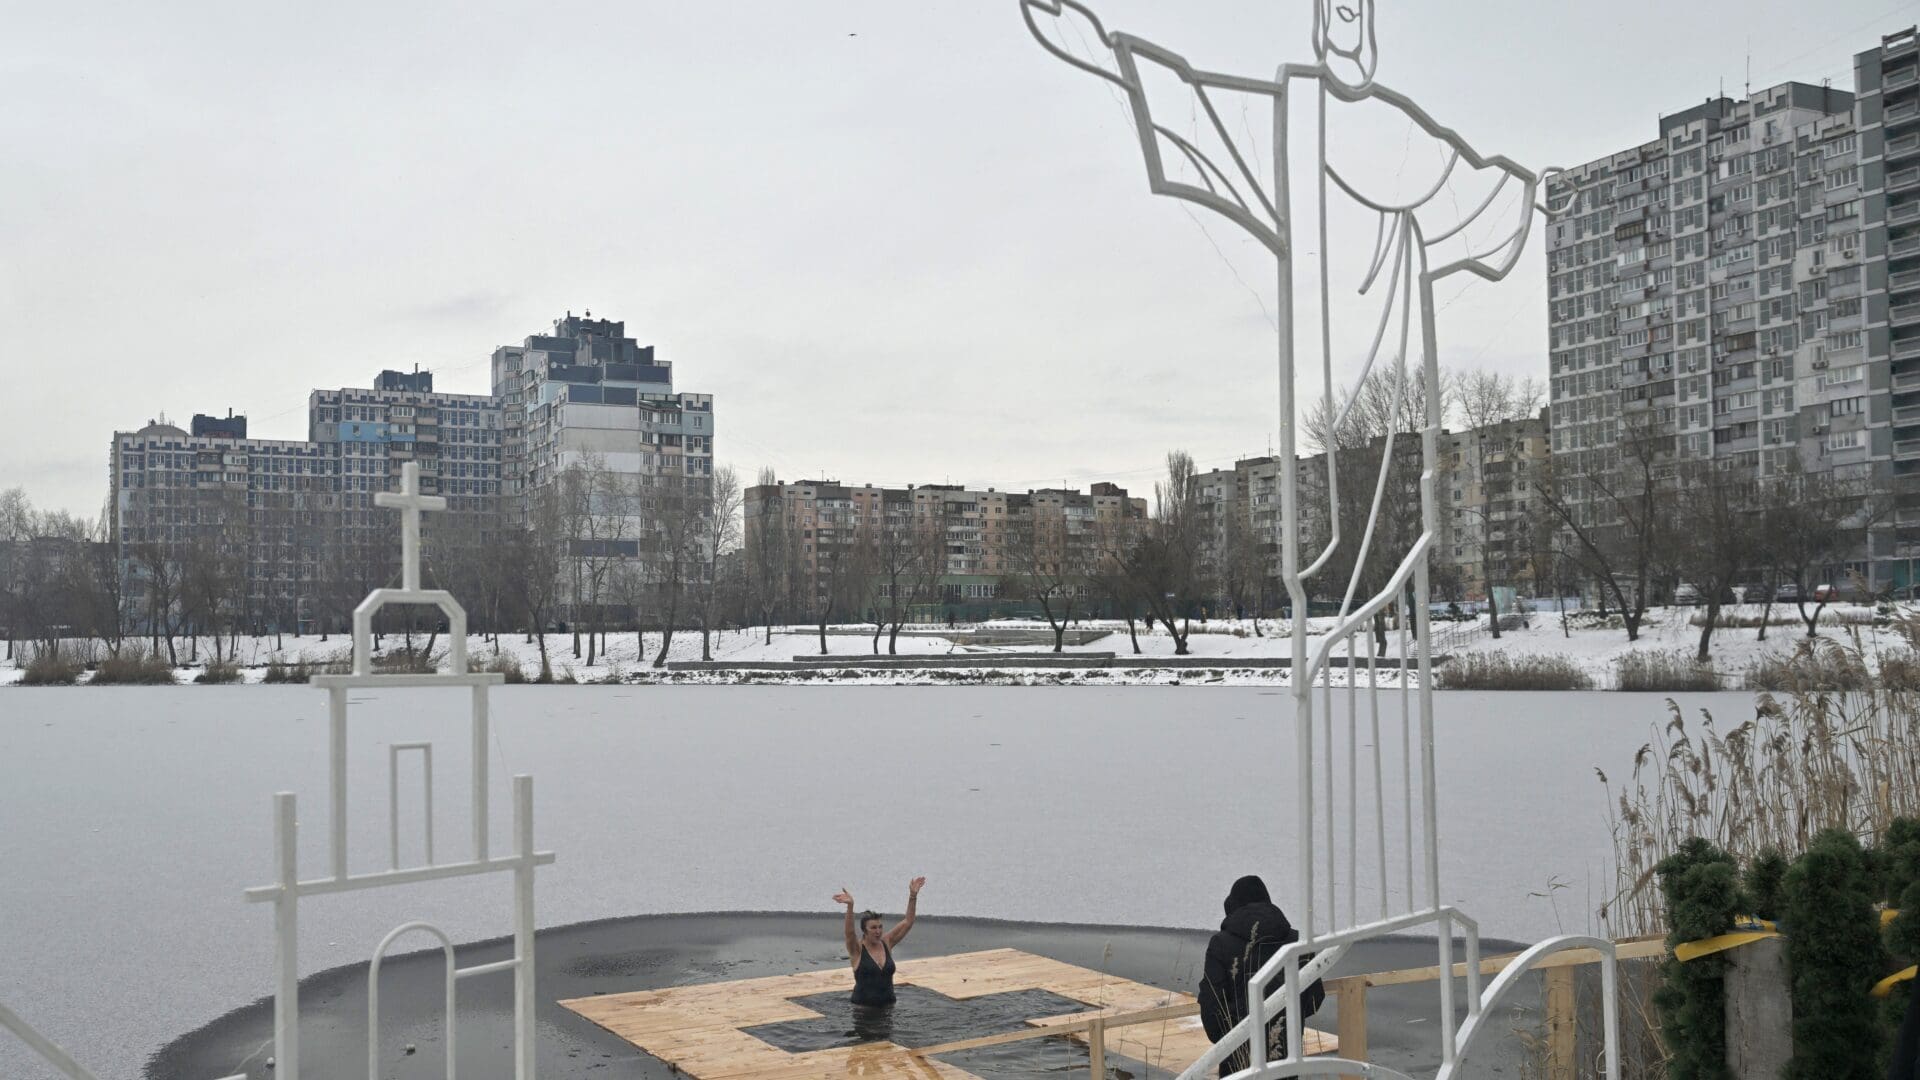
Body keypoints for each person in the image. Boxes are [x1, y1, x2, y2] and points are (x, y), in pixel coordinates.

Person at [1197, 875, 1324, 1076]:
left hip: (1238, 1068)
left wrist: (1244, 1022)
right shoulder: (1297, 942)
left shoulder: (1221, 945)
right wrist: (1280, 1021)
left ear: (1232, 908)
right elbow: (1314, 1000)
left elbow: (1213, 1021)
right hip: (1285, 1064)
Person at [833, 878, 925, 1013]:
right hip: (863, 1011)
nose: (878, 931)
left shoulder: (887, 942)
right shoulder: (857, 950)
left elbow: (908, 922)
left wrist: (913, 896)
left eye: (880, 927)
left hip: (888, 1009)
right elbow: (850, 933)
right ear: (864, 931)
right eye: (873, 928)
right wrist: (850, 907)